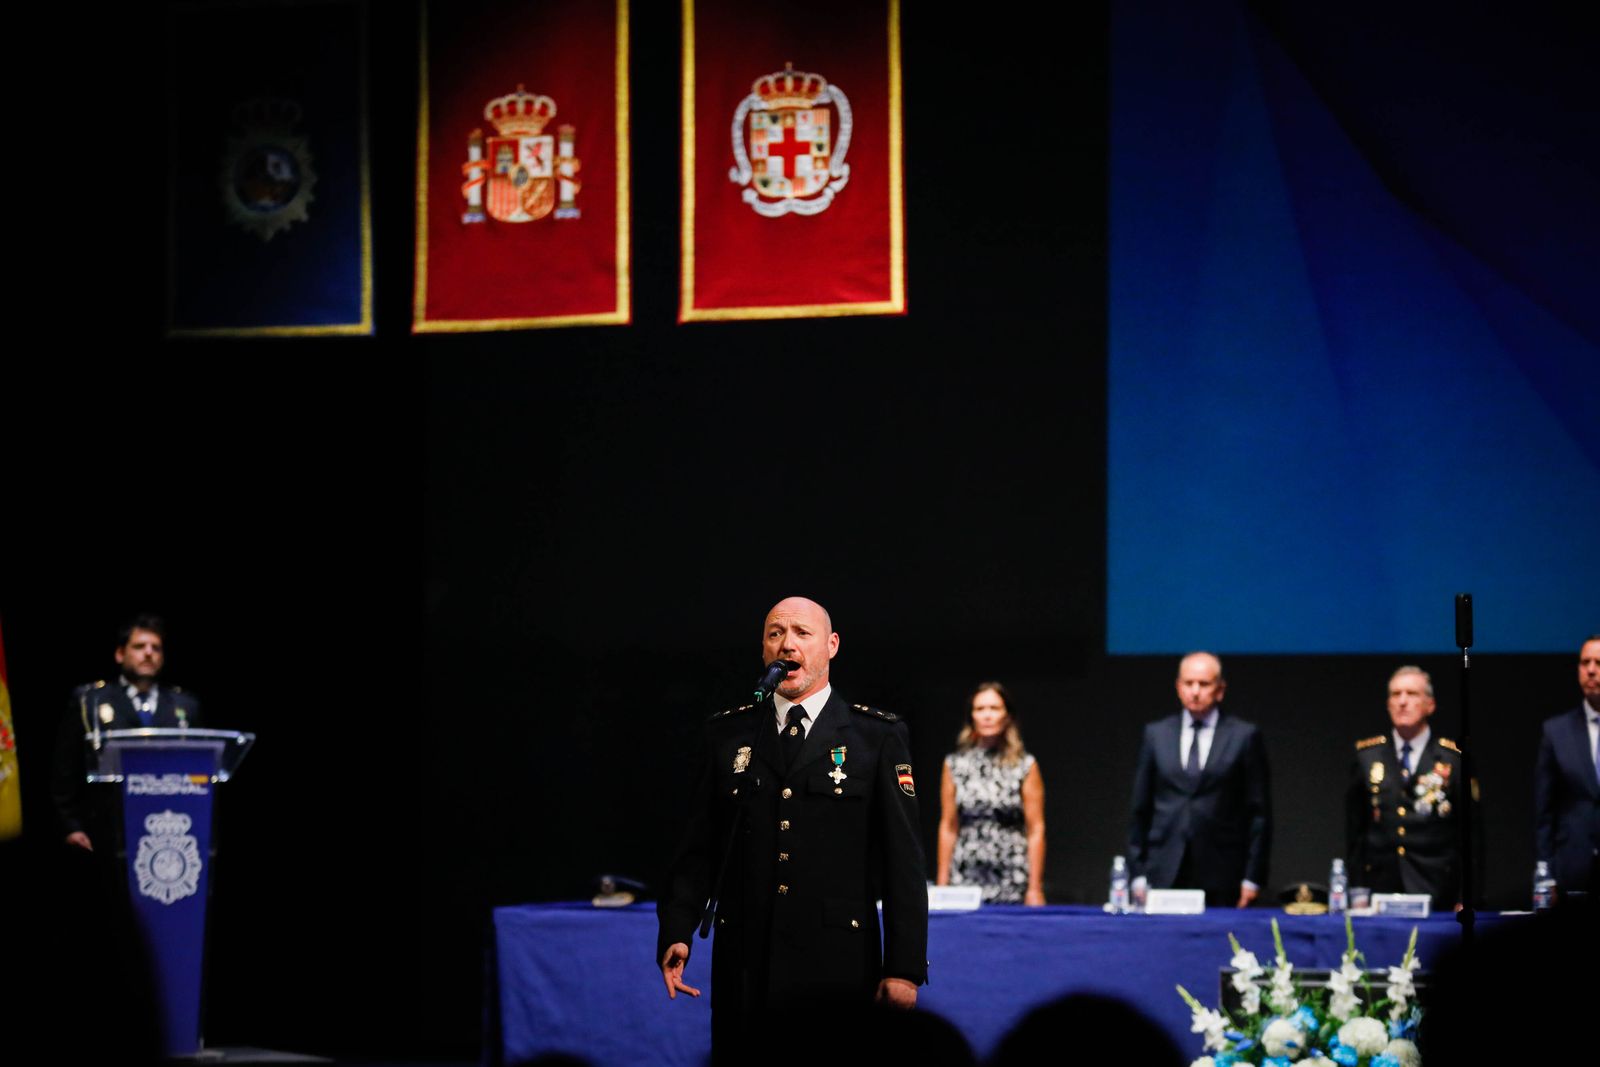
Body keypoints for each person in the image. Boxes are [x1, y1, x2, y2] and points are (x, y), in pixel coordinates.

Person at [656, 596, 928, 1059]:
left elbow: (904, 860)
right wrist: (677, 929)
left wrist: (902, 968)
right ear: (763, 649)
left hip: (837, 963)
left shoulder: (875, 736)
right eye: (776, 633)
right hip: (745, 962)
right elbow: (698, 845)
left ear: (832, 645)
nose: (788, 645)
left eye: (802, 633)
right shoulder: (730, 733)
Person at [1127, 651, 1270, 908]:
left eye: (1204, 684)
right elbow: (1141, 807)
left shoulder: (1243, 736)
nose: (1195, 691)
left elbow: (1259, 813)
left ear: (1220, 689)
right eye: (1188, 683)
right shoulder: (1156, 735)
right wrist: (1137, 872)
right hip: (1163, 866)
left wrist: (1252, 877)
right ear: (1178, 687)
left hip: (1223, 871)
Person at [52, 615, 202, 852]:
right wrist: (71, 826)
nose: (149, 653)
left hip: (170, 827)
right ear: (120, 654)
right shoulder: (90, 700)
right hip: (105, 829)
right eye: (140, 646)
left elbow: (198, 769)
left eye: (156, 648)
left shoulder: (185, 704)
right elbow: (65, 769)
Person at [1345, 665, 1467, 910]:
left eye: (1411, 694)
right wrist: (1357, 892)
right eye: (1395, 694)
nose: (1402, 702)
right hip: (1381, 888)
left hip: (1438, 887)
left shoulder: (1452, 759)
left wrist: (1466, 897)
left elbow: (1469, 836)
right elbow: (1356, 833)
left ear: (1430, 704)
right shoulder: (1367, 757)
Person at [936, 682, 1045, 904]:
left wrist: (1034, 888)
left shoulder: (1025, 765)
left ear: (1007, 716)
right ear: (971, 717)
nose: (987, 715)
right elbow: (948, 826)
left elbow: (1036, 828)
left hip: (1012, 877)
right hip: (965, 877)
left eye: (994, 708)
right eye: (980, 709)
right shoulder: (955, 765)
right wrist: (942, 885)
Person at [1533, 635, 1600, 896]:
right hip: (1573, 869)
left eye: (1598, 662)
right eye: (1585, 663)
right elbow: (1544, 813)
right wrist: (1545, 871)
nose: (1591, 670)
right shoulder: (1556, 731)